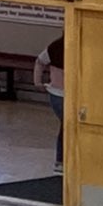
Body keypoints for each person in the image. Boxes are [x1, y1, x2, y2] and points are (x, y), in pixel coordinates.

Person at [33, 34, 65, 173]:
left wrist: (37, 82)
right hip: (69, 95)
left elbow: (39, 61)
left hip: (55, 94)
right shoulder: (78, 46)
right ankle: (62, 160)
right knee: (68, 128)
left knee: (65, 127)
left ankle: (60, 161)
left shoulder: (54, 46)